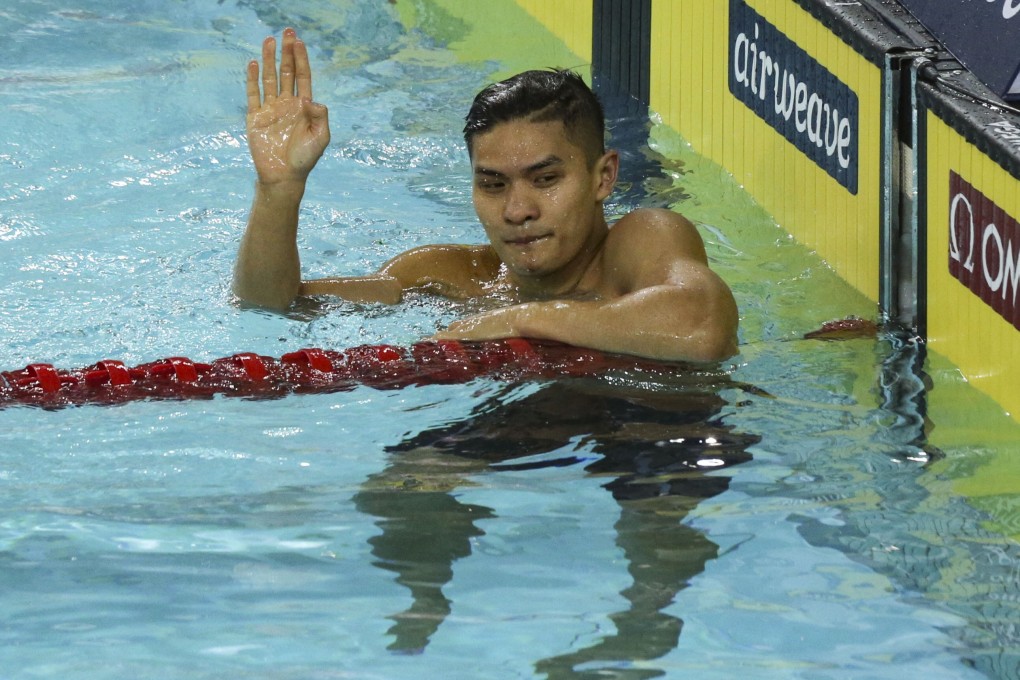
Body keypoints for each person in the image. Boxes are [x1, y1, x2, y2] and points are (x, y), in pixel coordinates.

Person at [233, 29, 738, 362]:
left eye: (546, 180)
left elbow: (704, 324)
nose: (517, 211)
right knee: (413, 477)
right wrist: (279, 189)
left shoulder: (640, 242)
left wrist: (522, 319)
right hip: (521, 429)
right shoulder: (445, 277)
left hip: (649, 433)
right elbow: (269, 304)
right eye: (493, 185)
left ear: (603, 177)